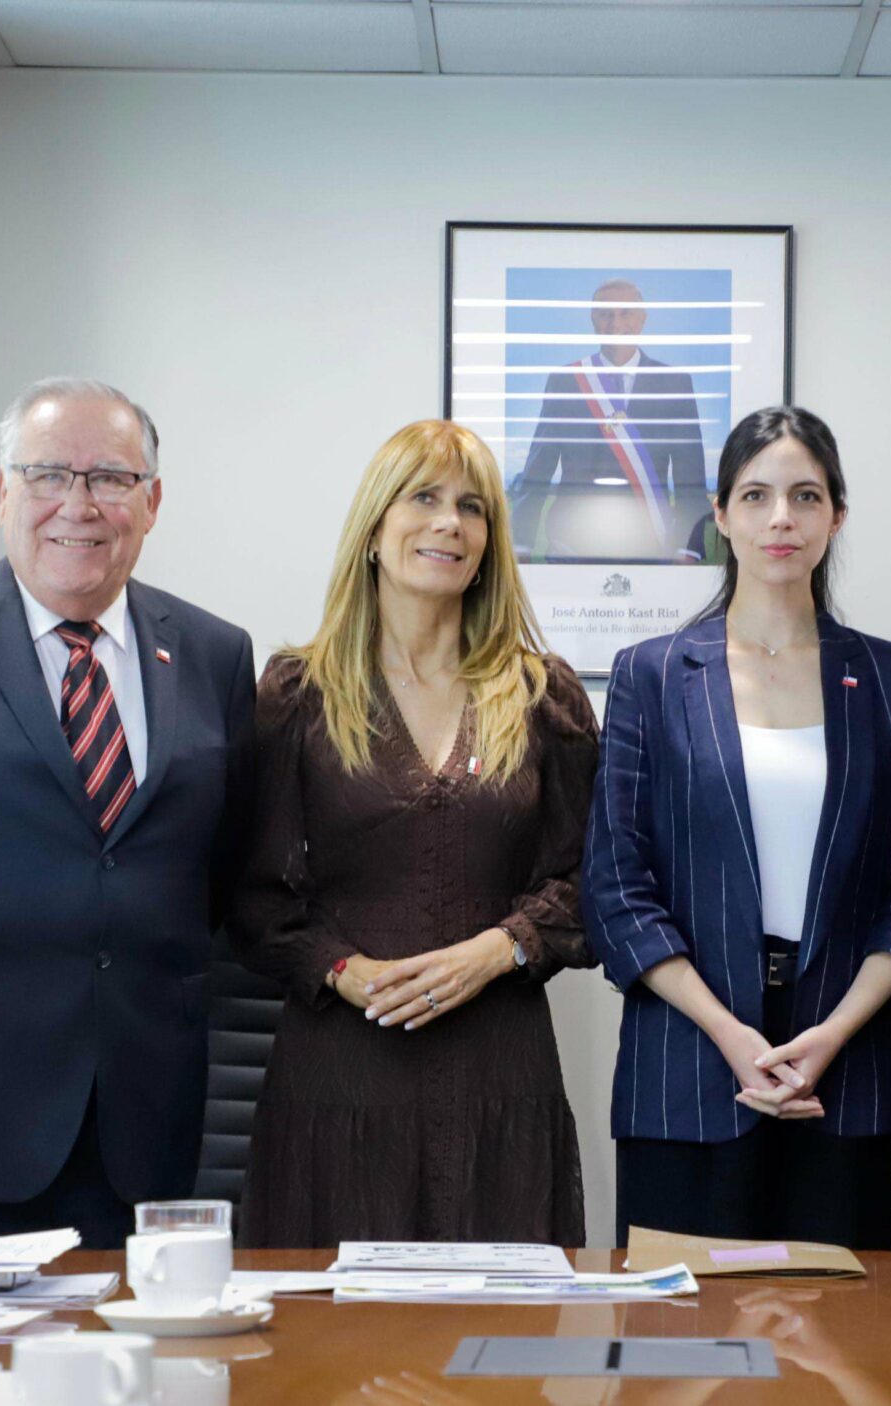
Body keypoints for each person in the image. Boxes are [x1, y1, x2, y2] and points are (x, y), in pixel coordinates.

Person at [0, 378, 256, 1248]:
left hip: (139, 1125)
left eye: (111, 478)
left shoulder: (215, 653)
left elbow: (217, 866)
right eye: (48, 475)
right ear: (3, 491)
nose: (79, 504)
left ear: (152, 502)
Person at [231, 420, 597, 1245]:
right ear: (373, 530)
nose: (448, 523)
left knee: (499, 1320)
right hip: (341, 1079)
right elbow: (254, 897)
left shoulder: (543, 696)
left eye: (472, 507)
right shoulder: (297, 694)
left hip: (499, 1075)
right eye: (423, 498)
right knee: (330, 1323)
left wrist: (497, 950)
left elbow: (590, 883)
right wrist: (344, 972)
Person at [585, 407, 891, 1248]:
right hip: (685, 1067)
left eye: (806, 496)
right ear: (721, 514)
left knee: (839, 1324)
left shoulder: (890, 677)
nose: (782, 518)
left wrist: (833, 1034)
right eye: (756, 496)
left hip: (841, 1072)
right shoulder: (652, 675)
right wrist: (730, 1033)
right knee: (675, 1325)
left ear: (836, 515)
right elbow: (615, 885)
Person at [511, 278, 710, 563]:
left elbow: (689, 473)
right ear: (593, 320)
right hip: (572, 543)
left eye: (625, 313)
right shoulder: (566, 380)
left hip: (651, 541)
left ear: (642, 319)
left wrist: (688, 547)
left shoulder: (674, 382)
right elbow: (539, 466)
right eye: (605, 314)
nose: (616, 323)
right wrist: (520, 542)